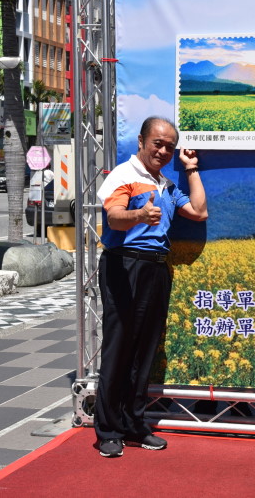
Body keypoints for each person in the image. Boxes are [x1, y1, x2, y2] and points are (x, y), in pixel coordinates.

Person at [93, 116, 208, 458]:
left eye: (170, 147)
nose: (163, 151)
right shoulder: (123, 176)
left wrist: (190, 168)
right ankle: (108, 430)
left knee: (145, 351)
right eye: (158, 143)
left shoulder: (167, 185)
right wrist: (138, 216)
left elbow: (199, 212)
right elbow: (113, 216)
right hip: (124, 264)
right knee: (118, 348)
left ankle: (134, 425)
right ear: (141, 141)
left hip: (156, 269)